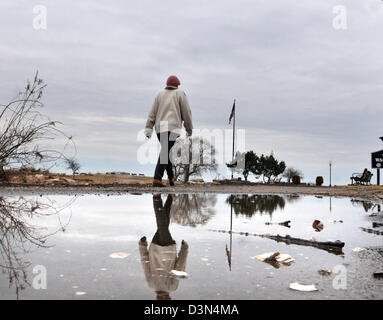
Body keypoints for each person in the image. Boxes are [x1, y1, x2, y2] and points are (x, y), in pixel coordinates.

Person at [145, 75, 193, 187]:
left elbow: (152, 113)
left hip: (159, 129)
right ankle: (157, 179)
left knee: (166, 151)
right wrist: (189, 129)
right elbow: (187, 113)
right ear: (177, 85)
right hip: (173, 128)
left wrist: (148, 128)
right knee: (166, 151)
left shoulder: (159, 94)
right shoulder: (180, 93)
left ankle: (171, 178)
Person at [138, 194, 189, 300]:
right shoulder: (151, 285)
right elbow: (145, 264)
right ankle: (170, 197)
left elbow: (179, 267)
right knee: (163, 224)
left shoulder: (172, 287)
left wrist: (184, 249)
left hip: (167, 249)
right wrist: (142, 246)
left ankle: (156, 198)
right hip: (155, 247)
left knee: (162, 223)